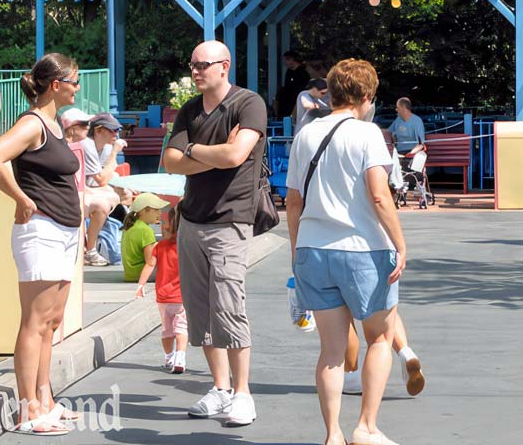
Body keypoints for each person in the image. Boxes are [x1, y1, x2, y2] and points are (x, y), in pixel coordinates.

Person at [285, 58, 407, 445]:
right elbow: (379, 194)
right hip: (362, 248)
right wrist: (400, 244)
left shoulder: (304, 134)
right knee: (380, 339)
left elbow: (292, 201)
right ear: (367, 97)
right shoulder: (367, 133)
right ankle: (366, 428)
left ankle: (332, 434)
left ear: (333, 92)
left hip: (312, 248)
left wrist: (296, 249)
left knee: (331, 352)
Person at [162, 40, 268, 427]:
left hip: (230, 219)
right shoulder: (190, 110)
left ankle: (243, 393)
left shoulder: (248, 103)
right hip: (192, 219)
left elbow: (236, 156)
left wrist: (194, 152)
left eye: (203, 65)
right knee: (200, 309)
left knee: (229, 305)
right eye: (192, 64)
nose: (195, 71)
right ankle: (220, 387)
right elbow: (171, 163)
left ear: (224, 66)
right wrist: (210, 149)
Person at [0, 53, 85, 435]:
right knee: (35, 322)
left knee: (52, 322)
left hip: (64, 231)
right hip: (41, 231)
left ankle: (46, 400)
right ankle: (27, 412)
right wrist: (21, 198)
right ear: (55, 85)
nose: (77, 86)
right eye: (73, 80)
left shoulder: (55, 125)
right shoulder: (33, 123)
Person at [139, 203, 188, 374]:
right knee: (182, 328)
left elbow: (149, 265)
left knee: (167, 329)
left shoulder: (159, 247)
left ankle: (169, 358)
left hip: (163, 297)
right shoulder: (186, 247)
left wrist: (141, 284)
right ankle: (180, 357)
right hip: (182, 297)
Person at [80, 112, 128, 267]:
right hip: (77, 190)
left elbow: (104, 177)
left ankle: (111, 239)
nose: (116, 134)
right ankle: (91, 250)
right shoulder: (86, 144)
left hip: (88, 187)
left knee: (122, 192)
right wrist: (115, 152)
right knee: (104, 203)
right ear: (98, 130)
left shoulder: (105, 148)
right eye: (112, 130)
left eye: (117, 130)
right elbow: (101, 179)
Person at [122, 192, 165, 283]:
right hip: (143, 274)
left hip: (130, 275)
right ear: (145, 211)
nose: (160, 213)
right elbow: (150, 261)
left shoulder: (130, 227)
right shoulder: (146, 230)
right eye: (156, 210)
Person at [276, 51, 310, 118]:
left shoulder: (302, 73)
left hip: (295, 103)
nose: (285, 62)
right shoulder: (289, 71)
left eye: (287, 59)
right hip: (286, 103)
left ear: (294, 60)